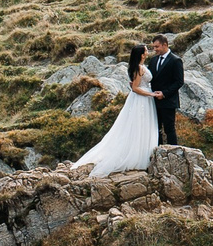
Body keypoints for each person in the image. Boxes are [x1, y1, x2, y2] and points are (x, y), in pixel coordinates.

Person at [72, 43, 161, 178]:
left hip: (143, 98)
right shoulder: (139, 68)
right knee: (140, 126)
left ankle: (142, 154)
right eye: (146, 50)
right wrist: (151, 94)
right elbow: (136, 88)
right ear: (142, 54)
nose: (148, 52)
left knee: (142, 125)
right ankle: (138, 157)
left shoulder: (139, 67)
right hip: (142, 99)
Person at [144, 33, 185, 147]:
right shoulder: (153, 60)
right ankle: (158, 151)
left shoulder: (175, 60)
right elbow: (149, 77)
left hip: (168, 101)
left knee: (169, 129)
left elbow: (179, 81)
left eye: (157, 47)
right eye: (153, 47)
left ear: (165, 45)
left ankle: (174, 153)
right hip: (154, 100)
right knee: (155, 128)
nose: (154, 49)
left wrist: (164, 93)